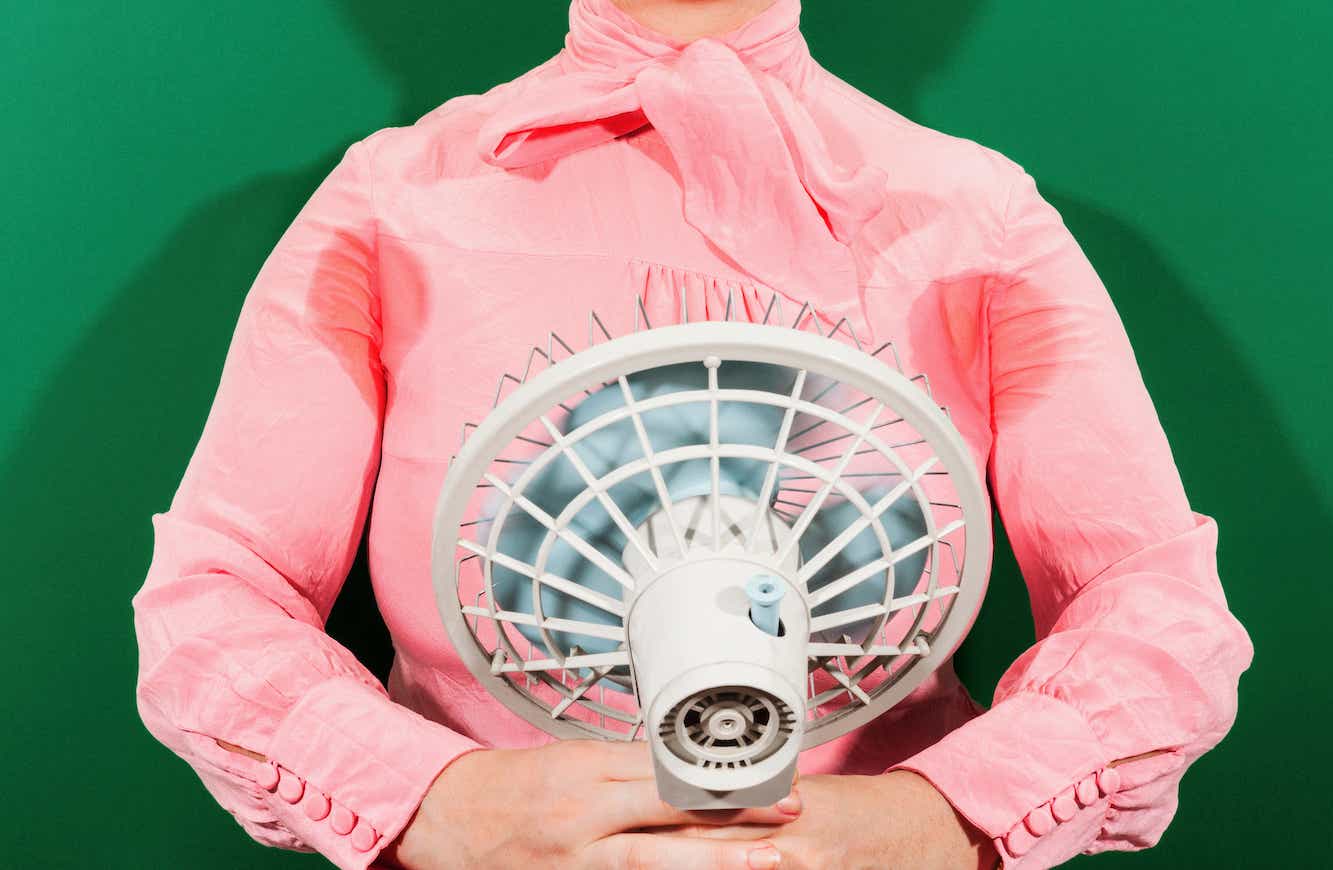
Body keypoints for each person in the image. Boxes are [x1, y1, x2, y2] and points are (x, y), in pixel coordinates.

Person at [131, 1, 1254, 867]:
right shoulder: (395, 205)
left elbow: (1153, 602)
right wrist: (439, 800)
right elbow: (216, 597)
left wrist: (942, 815)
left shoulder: (973, 216)